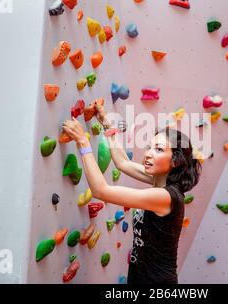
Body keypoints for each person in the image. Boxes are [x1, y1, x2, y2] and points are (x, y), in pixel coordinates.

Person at [62, 104, 202, 284]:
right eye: (150, 147)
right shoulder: (159, 181)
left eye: (158, 150)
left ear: (175, 161)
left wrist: (83, 142)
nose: (148, 154)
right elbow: (122, 163)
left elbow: (101, 191)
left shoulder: (166, 197)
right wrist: (107, 124)